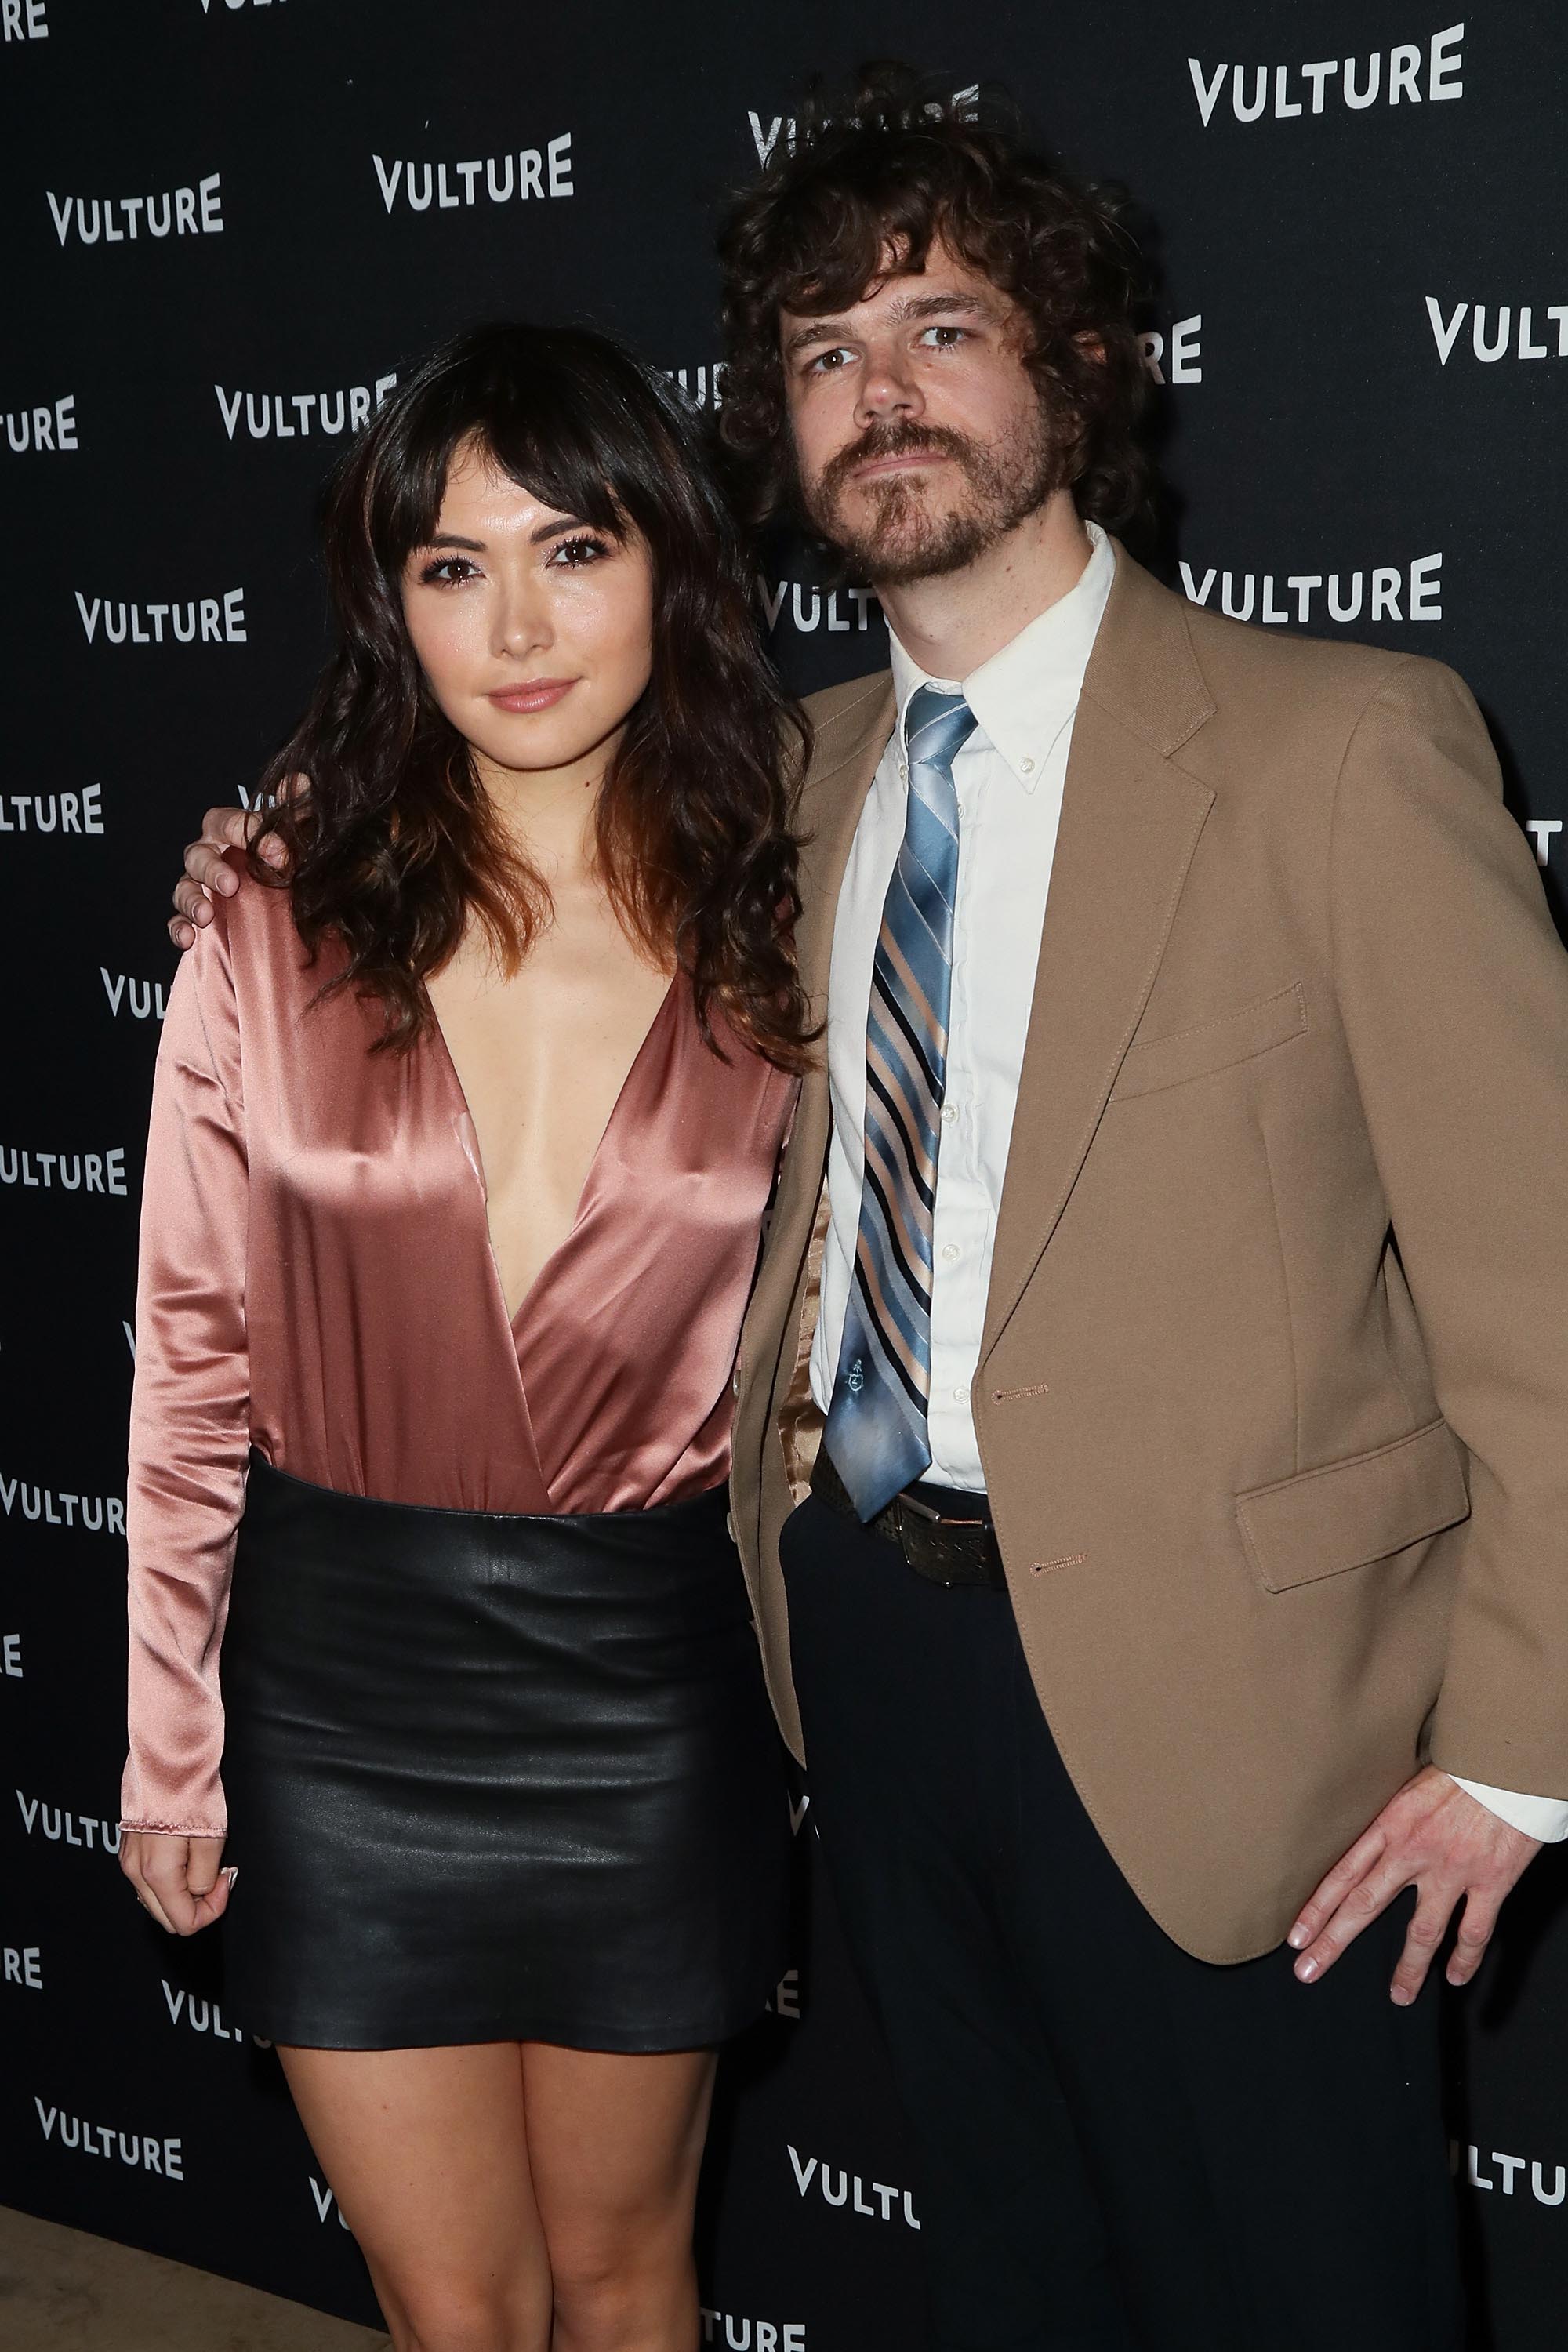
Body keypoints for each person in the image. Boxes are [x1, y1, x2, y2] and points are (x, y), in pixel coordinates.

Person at [166, 71, 1568, 2352]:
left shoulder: (1343, 745)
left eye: (937, 326)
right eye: (821, 354)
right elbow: (467, 840)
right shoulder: (771, 785)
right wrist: (254, 862)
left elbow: (1547, 1274)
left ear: (1082, 369)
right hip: (865, 1675)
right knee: (1020, 2277)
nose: (877, 393)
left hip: (1240, 1715)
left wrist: (1521, 1749)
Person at [125, 321, 809, 2352]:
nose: (514, 621)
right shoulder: (272, 907)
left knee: (626, 2288)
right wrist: (173, 1739)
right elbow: (188, 1354)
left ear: (666, 567)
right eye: (450, 564)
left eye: (573, 549)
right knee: (454, 2310)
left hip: (648, 1689)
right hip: (344, 1705)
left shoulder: (794, 899)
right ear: (388, 601)